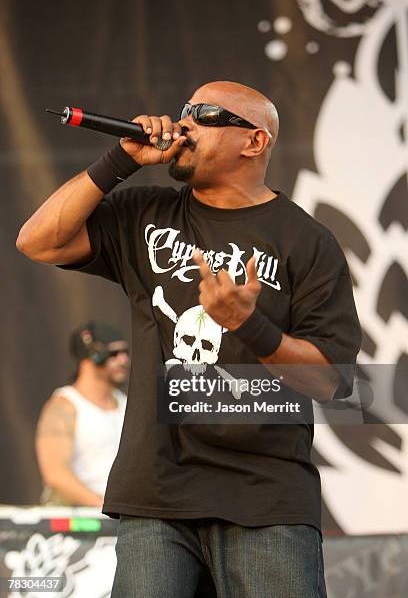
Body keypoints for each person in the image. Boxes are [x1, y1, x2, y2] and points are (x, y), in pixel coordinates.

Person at [17, 81, 361, 597]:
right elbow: (36, 241)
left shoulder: (307, 241)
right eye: (183, 111)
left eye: (203, 114)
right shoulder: (147, 214)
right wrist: (120, 160)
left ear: (254, 142)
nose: (183, 124)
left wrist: (250, 326)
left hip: (265, 500)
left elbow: (333, 382)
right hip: (155, 495)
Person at [36, 321, 129, 507]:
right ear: (92, 356)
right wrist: (102, 506)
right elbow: (54, 473)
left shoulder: (126, 404)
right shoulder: (64, 406)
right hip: (82, 521)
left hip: (122, 517)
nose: (123, 360)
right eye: (113, 354)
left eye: (125, 352)